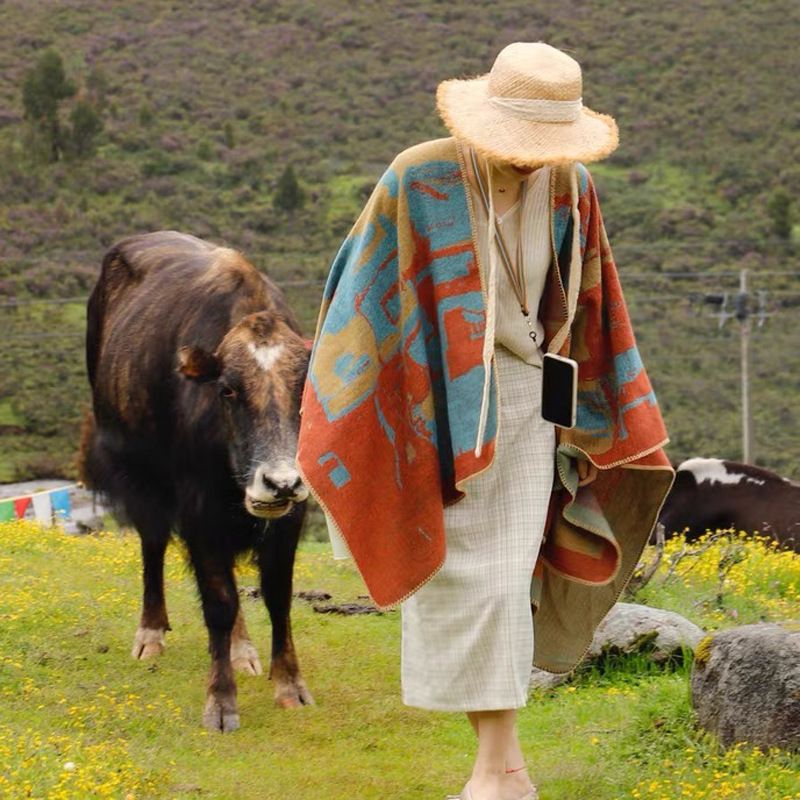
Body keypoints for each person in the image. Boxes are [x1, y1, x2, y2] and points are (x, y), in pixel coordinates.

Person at [297, 42, 674, 800]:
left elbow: (590, 297)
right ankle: (505, 768)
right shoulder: (418, 177)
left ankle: (495, 771)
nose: (532, 159)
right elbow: (360, 289)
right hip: (436, 404)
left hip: (530, 402)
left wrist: (593, 413)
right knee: (457, 578)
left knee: (503, 582)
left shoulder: (571, 185)